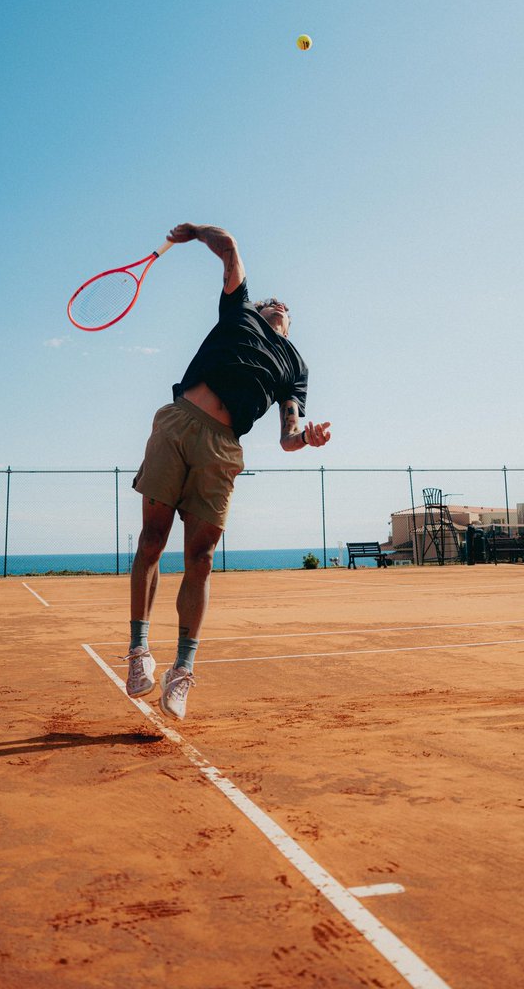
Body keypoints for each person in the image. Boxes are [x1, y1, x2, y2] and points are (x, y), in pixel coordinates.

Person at [126, 223, 331, 721]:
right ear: (259, 307)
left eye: (286, 304)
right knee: (152, 539)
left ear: (289, 322)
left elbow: (287, 435)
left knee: (200, 558)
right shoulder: (239, 309)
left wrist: (308, 438)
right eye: (272, 300)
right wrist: (194, 232)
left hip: (223, 447)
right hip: (178, 423)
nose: (278, 302)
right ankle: (138, 654)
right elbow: (231, 248)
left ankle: (181, 672)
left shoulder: (295, 365)